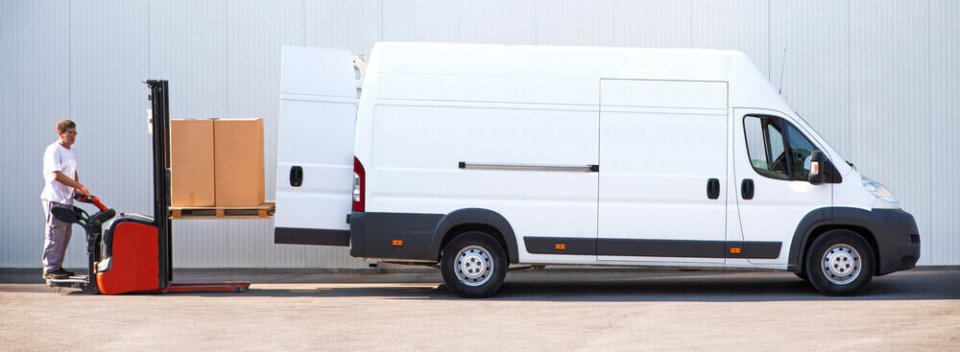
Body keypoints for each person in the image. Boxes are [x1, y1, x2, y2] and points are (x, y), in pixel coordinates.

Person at [40, 119, 91, 280]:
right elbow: (57, 175)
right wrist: (80, 185)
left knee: (65, 234)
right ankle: (50, 268)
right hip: (54, 198)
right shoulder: (53, 150)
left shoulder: (72, 151)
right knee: (55, 234)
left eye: (74, 132)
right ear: (60, 133)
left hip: (66, 199)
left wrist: (76, 189)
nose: (72, 136)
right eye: (69, 132)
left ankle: (57, 266)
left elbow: (72, 171)